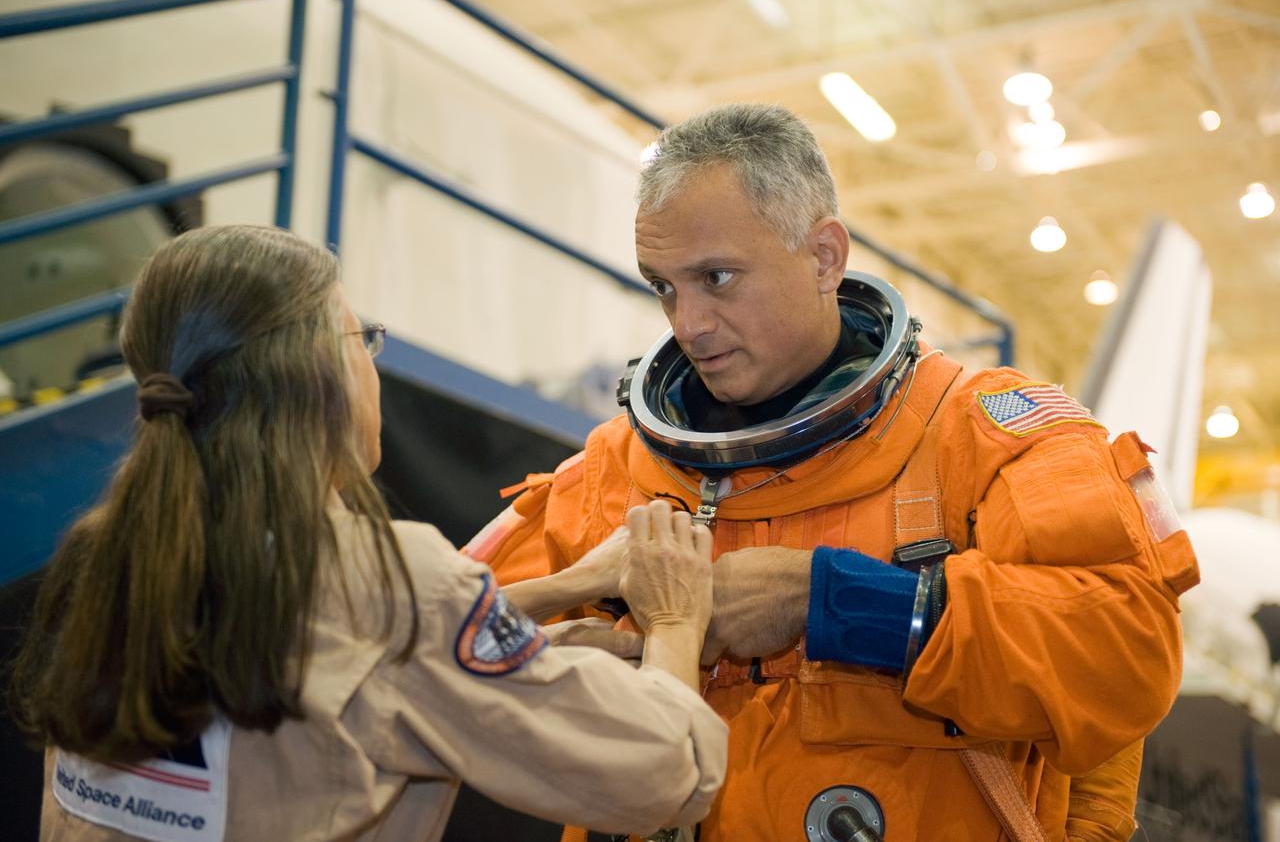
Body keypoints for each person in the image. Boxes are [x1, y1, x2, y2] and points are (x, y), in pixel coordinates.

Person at [472, 104, 1198, 842]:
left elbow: (1127, 649)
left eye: (717, 278)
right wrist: (549, 670)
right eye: (663, 286)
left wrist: (833, 599)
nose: (686, 323)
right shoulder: (608, 477)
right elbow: (422, 657)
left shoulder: (981, 438)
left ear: (824, 256)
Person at [10, 224, 727, 841]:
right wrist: (674, 618)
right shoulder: (389, 584)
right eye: (364, 338)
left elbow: (348, 665)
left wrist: (567, 594)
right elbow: (668, 770)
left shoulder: (109, 552)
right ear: (321, 374)